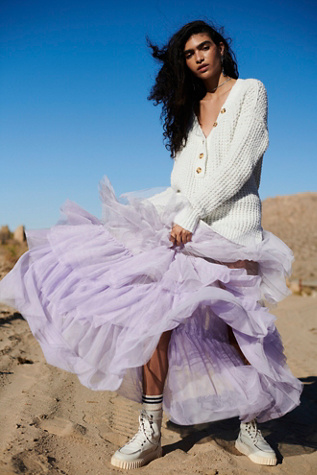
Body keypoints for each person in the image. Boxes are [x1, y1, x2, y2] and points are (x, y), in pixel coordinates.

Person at [0, 20, 302, 471]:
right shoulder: (188, 110)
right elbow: (182, 179)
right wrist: (168, 215)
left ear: (221, 49)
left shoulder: (250, 92)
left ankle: (250, 426)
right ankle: (149, 429)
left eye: (204, 47)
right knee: (153, 316)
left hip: (235, 233)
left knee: (239, 330)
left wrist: (192, 211)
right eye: (188, 53)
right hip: (184, 231)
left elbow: (241, 162)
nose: (198, 56)